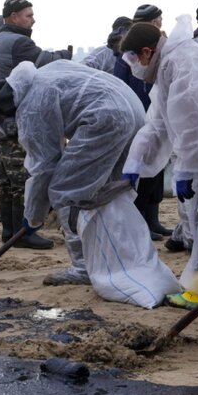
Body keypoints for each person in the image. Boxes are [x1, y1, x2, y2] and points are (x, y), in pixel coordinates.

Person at [0, 60, 181, 304]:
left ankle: (82, 267)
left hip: (105, 120)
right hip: (132, 110)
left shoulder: (30, 107)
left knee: (66, 193)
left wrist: (33, 216)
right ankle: (116, 254)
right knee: (108, 191)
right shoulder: (44, 72)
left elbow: (43, 167)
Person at [120, 18, 198, 310]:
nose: (135, 67)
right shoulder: (168, 65)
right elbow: (157, 122)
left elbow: (192, 126)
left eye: (134, 59)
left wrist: (187, 170)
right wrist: (135, 164)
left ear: (148, 52)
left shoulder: (181, 63)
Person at [0, 0, 71, 249]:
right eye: (28, 15)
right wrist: (67, 54)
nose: (33, 20)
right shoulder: (20, 42)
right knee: (22, 176)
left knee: (7, 180)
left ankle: (10, 233)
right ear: (14, 17)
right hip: (15, 117)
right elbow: (44, 61)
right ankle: (24, 233)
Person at [84, 16, 171, 240]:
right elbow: (120, 87)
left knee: (155, 172)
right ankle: (140, 222)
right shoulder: (123, 57)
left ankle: (151, 220)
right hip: (134, 118)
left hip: (151, 116)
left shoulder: (158, 58)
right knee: (138, 173)